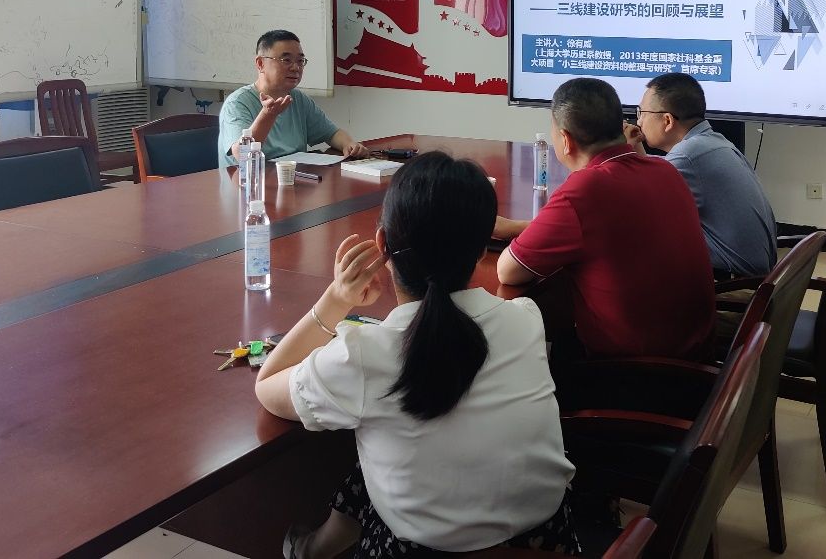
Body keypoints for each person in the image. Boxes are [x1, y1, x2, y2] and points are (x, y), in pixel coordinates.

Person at [254, 152, 579, 558]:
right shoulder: (525, 319)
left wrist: (335, 300)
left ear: (382, 245)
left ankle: (312, 550)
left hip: (421, 551)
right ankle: (318, 547)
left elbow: (267, 385)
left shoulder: (363, 356)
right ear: (482, 250)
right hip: (549, 543)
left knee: (388, 442)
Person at [494, 77, 715, 361]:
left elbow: (508, 271)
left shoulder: (585, 190)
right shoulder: (664, 171)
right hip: (698, 358)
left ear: (565, 140)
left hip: (638, 372)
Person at [626, 73, 778, 278]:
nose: (639, 121)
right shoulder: (711, 142)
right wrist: (634, 148)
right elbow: (659, 172)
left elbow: (640, 204)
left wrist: (620, 153)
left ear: (667, 120)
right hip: (756, 272)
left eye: (642, 112)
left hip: (731, 281)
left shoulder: (687, 156)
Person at [218, 29, 366, 166]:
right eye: (286, 60)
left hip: (291, 177)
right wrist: (268, 114)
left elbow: (331, 133)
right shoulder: (237, 103)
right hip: (250, 181)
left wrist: (349, 144)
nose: (296, 67)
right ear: (260, 63)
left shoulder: (299, 99)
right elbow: (243, 155)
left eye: (300, 61)